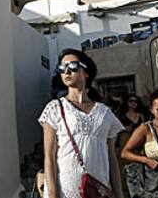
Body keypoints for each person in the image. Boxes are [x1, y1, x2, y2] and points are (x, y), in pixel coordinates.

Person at [38, 49, 126, 198]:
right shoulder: (54, 108)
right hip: (66, 191)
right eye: (62, 67)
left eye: (72, 66)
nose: (66, 71)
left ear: (86, 72)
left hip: (98, 190)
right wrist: (52, 194)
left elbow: (112, 159)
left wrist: (119, 194)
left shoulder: (105, 113)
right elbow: (50, 156)